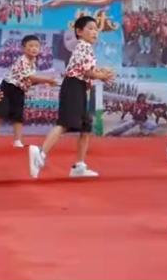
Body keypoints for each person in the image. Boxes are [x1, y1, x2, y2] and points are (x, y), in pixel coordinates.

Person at [28, 16, 115, 179]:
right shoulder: (83, 46)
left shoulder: (86, 48)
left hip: (80, 88)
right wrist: (101, 76)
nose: (94, 32)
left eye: (96, 29)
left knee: (85, 127)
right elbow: (87, 72)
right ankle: (40, 153)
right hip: (73, 87)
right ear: (79, 32)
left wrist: (101, 72)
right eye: (90, 28)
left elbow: (90, 69)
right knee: (64, 124)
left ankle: (79, 167)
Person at [0, 35, 58, 150]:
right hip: (8, 87)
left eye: (36, 46)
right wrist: (47, 80)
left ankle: (17, 140)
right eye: (31, 46)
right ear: (23, 48)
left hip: (19, 90)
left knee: (18, 115)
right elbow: (31, 77)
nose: (34, 48)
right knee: (0, 113)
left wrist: (44, 83)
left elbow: (29, 81)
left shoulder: (34, 61)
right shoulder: (23, 60)